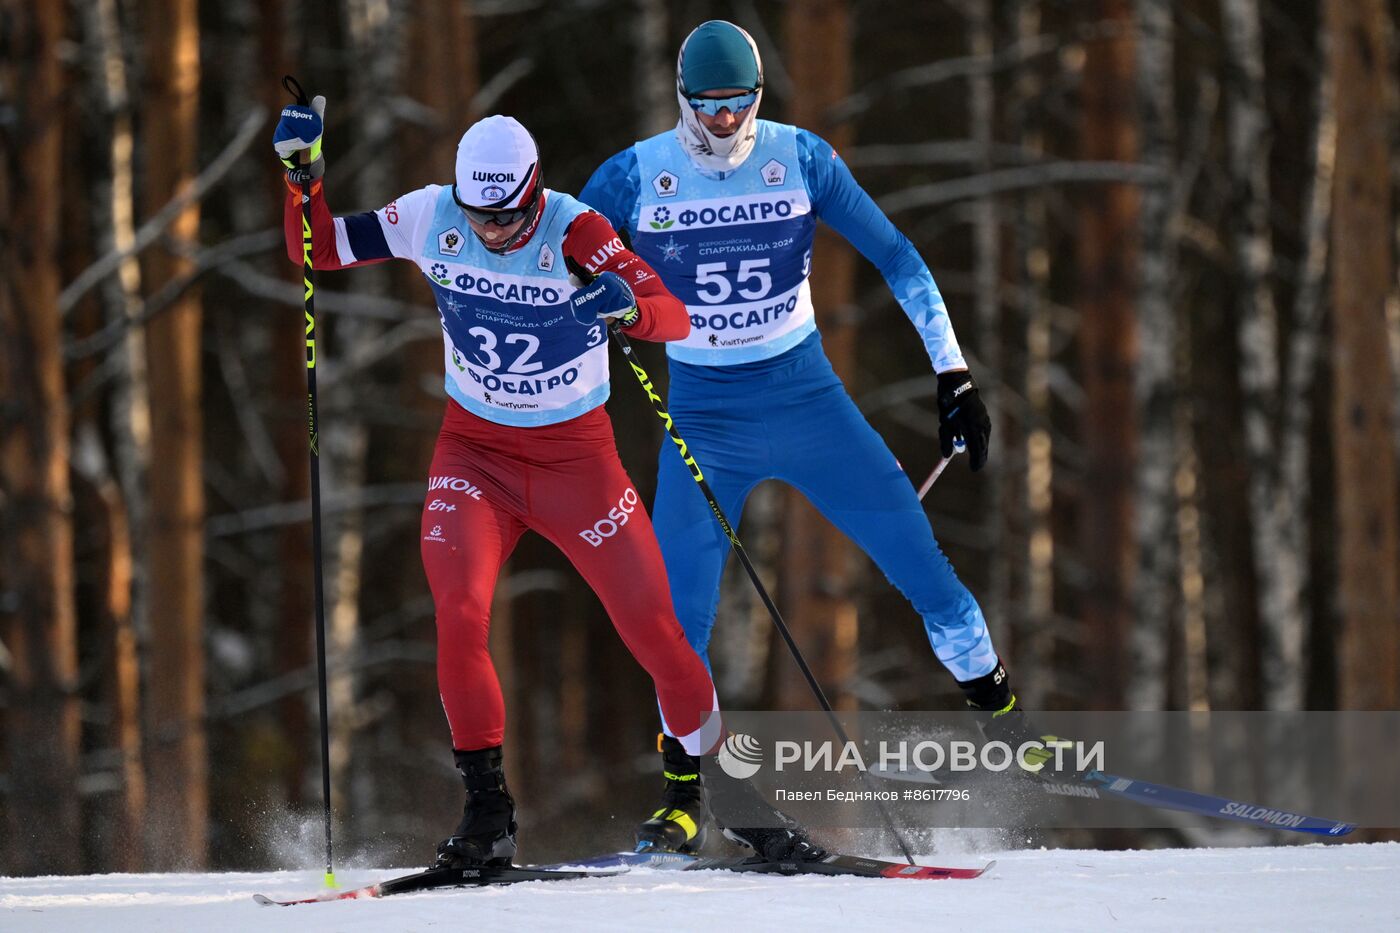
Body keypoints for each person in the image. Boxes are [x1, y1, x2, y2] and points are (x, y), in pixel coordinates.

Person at [273, 103, 821, 865]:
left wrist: (626, 305)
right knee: (460, 617)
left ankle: (733, 796)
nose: (494, 232)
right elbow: (321, 248)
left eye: (508, 216)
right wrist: (306, 178)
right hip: (475, 458)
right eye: (481, 216)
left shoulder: (577, 229)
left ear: (535, 192)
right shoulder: (434, 214)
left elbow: (675, 313)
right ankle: (487, 811)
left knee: (656, 631)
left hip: (577, 463)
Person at [580, 21, 1037, 854]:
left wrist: (954, 372)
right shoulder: (635, 175)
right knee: (674, 617)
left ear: (760, 98)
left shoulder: (802, 158)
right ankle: (683, 790)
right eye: (707, 108)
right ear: (683, 99)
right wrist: (585, 306)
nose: (722, 124)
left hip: (806, 398)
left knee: (920, 561)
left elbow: (900, 258)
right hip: (705, 417)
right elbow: (562, 257)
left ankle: (1003, 719)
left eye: (738, 106)